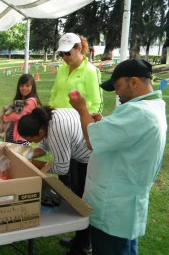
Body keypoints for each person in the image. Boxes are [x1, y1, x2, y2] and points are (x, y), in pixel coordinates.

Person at [69, 59, 167, 255]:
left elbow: (91, 141)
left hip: (114, 209)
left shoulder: (139, 112)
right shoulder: (152, 108)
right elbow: (127, 138)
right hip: (123, 206)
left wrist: (82, 109)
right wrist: (104, 124)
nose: (116, 92)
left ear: (134, 82)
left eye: (118, 86)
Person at [49, 33, 103, 239]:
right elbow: (54, 95)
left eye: (68, 52)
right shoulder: (62, 68)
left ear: (79, 48)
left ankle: (84, 240)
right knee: (68, 184)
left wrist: (80, 121)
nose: (64, 57)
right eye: (61, 53)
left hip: (80, 135)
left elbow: (95, 103)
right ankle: (76, 230)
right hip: (61, 132)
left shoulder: (91, 71)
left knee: (81, 188)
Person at [18, 106, 92, 255]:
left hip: (89, 158)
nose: (31, 143)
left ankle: (84, 245)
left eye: (30, 140)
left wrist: (32, 164)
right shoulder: (47, 120)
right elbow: (44, 145)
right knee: (78, 196)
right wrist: (26, 154)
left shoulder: (57, 130)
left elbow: (61, 168)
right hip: (78, 152)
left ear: (39, 132)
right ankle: (81, 239)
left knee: (83, 201)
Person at [1, 74, 42, 145]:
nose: (24, 88)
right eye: (21, 85)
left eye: (27, 85)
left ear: (33, 87)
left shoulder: (32, 101)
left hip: (21, 137)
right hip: (12, 134)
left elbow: (18, 115)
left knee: (17, 155)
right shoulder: (20, 99)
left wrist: (4, 117)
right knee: (8, 155)